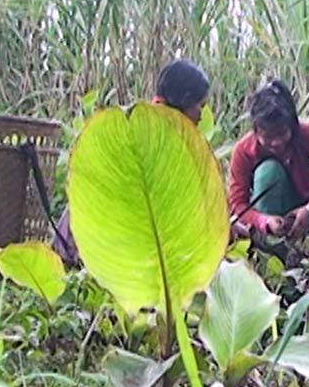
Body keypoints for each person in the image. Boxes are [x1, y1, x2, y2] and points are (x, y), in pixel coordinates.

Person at [53, 58, 211, 266]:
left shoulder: (136, 118)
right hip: (100, 249)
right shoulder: (163, 137)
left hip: (75, 242)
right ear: (184, 100)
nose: (201, 116)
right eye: (200, 106)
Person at [228, 79, 309, 252]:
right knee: (267, 172)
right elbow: (238, 205)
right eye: (268, 137)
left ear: (293, 125)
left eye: (282, 133)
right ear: (256, 130)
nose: (276, 142)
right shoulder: (244, 151)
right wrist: (265, 221)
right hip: (273, 214)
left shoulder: (308, 135)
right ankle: (273, 250)